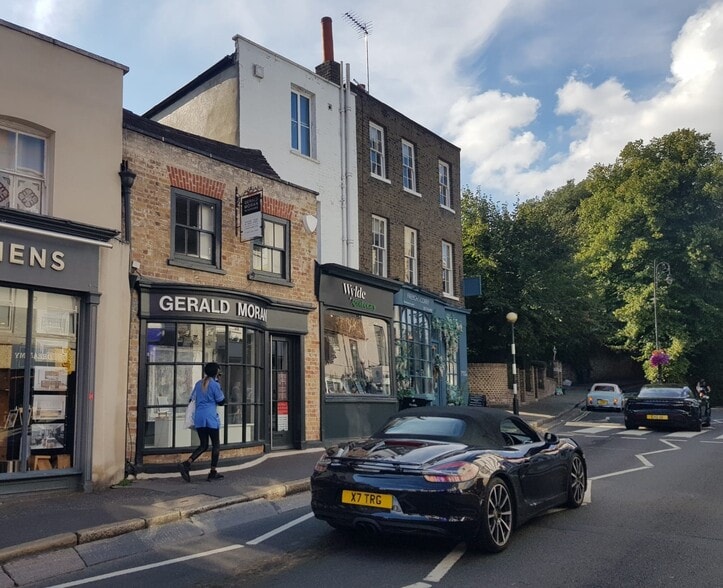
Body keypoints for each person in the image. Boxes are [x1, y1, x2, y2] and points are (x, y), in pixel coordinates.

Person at [179, 362, 226, 482]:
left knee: (203, 445)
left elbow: (191, 398)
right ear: (216, 372)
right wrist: (219, 385)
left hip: (199, 417)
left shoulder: (198, 383)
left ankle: (187, 463)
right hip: (210, 418)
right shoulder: (215, 385)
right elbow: (221, 401)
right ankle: (212, 472)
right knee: (216, 445)